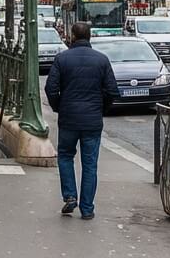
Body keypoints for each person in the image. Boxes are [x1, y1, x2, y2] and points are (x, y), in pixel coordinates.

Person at [44, 22, 117, 221]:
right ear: (90, 36)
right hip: (92, 120)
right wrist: (101, 109)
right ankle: (87, 208)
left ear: (72, 36)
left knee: (65, 156)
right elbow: (112, 91)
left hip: (68, 118)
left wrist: (59, 106)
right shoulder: (102, 60)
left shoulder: (62, 58)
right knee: (90, 164)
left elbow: (51, 88)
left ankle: (69, 196)